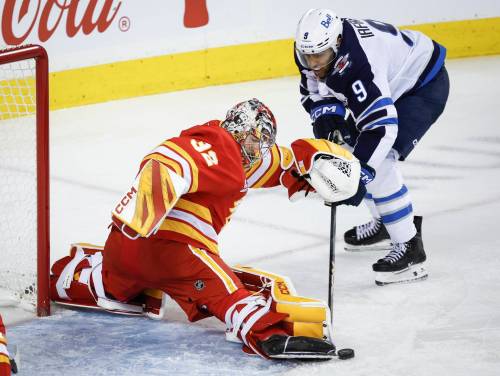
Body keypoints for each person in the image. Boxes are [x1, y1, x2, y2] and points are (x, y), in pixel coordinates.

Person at [49, 98, 364, 360]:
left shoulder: (242, 157)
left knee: (111, 288)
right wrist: (140, 211)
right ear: (238, 131)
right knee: (229, 294)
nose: (257, 150)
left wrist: (318, 163)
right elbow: (169, 159)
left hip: (124, 248)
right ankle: (267, 333)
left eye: (261, 144)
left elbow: (284, 162)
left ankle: (72, 276)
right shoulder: (220, 149)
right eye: (253, 140)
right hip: (175, 253)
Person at [294, 9, 450, 285]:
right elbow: (311, 90)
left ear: (338, 43)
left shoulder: (360, 65)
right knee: (352, 150)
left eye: (320, 56)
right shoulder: (310, 50)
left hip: (422, 86)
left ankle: (410, 246)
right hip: (392, 82)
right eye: (309, 56)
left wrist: (360, 175)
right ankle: (385, 224)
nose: (314, 63)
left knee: (380, 161)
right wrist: (326, 115)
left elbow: (381, 128)